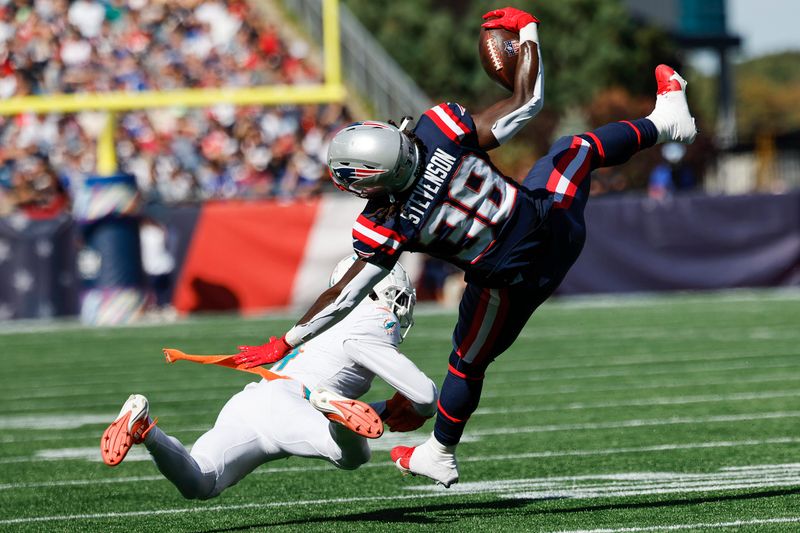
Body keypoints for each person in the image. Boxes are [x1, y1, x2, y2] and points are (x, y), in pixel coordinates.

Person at [232, 6, 697, 488]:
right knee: (575, 150)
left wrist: (283, 342)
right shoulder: (439, 129)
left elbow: (345, 297)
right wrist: (529, 29)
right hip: (552, 227)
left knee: (467, 363)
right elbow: (527, 100)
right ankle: (664, 122)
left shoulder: (385, 224)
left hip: (508, 283)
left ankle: (440, 452)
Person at [100, 257, 437, 500]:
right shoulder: (374, 322)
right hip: (292, 404)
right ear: (389, 293)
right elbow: (424, 394)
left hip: (254, 400)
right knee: (351, 456)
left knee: (200, 483)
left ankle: (146, 429)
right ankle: (336, 413)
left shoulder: (329, 320)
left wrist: (386, 410)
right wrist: (420, 409)